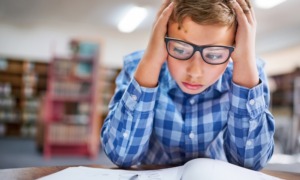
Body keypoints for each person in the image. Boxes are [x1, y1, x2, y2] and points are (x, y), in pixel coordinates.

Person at [101, 0, 275, 170]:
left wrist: (245, 61)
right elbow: (121, 155)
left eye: (214, 55)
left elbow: (250, 163)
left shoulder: (250, 74)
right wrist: (151, 60)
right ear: (162, 38)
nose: (195, 72)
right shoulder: (137, 67)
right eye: (179, 49)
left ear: (235, 49)